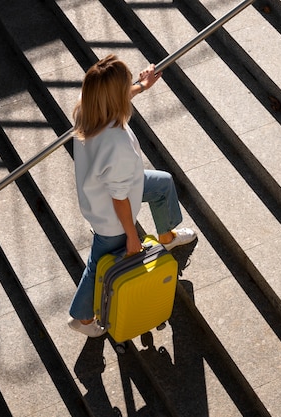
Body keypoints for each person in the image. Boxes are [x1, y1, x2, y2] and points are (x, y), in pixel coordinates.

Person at [68, 55, 197, 337]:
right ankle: (82, 318)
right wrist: (131, 235)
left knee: (163, 184)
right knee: (98, 264)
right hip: (112, 215)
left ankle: (166, 237)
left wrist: (142, 85)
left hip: (103, 191)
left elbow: (113, 97)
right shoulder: (117, 145)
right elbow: (119, 199)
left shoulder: (84, 108)